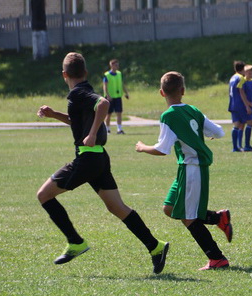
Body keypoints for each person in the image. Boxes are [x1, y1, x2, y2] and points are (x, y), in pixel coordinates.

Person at [36, 52, 168, 273]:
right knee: (117, 207)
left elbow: (104, 104)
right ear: (85, 72)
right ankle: (155, 247)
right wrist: (55, 114)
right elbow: (78, 120)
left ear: (64, 75)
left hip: (87, 158)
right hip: (98, 158)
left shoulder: (77, 93)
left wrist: (93, 132)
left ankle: (75, 242)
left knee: (44, 195)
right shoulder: (83, 91)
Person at [135, 71, 233, 271]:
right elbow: (219, 132)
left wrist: (142, 147)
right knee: (169, 208)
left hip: (192, 169)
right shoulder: (193, 110)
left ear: (161, 93)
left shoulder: (168, 115)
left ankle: (217, 259)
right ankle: (217, 218)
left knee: (189, 217)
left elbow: (162, 149)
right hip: (186, 169)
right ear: (183, 91)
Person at [228, 60, 252, 152]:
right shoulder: (241, 78)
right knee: (250, 122)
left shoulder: (232, 77)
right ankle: (247, 146)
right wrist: (247, 105)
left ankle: (236, 147)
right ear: (243, 69)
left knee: (237, 125)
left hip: (233, 104)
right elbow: (241, 91)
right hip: (240, 104)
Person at [102, 59, 130, 134]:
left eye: (118, 65)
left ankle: (119, 129)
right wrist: (107, 95)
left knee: (119, 113)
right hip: (110, 98)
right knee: (109, 114)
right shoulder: (107, 75)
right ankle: (107, 129)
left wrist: (126, 93)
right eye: (116, 65)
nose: (117, 66)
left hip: (118, 96)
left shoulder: (119, 74)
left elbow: (122, 84)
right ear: (111, 65)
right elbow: (105, 86)